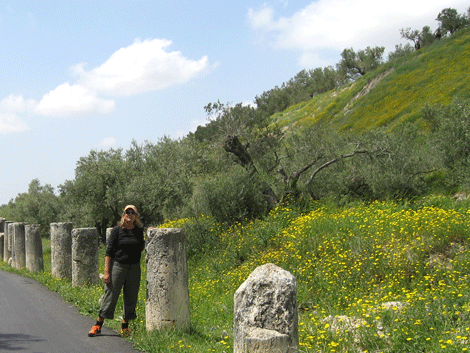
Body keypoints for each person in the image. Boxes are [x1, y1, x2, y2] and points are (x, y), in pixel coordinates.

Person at [88, 205, 145, 337]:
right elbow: (109, 252)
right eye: (127, 212)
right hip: (118, 266)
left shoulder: (138, 231)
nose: (129, 214)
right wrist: (106, 272)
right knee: (110, 295)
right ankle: (97, 325)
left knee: (131, 296)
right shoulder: (117, 230)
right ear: (123, 215)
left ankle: (125, 327)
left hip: (134, 268)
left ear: (136, 216)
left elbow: (140, 246)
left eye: (132, 212)